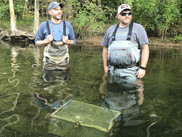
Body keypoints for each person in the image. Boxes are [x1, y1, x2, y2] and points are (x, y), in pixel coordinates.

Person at [101, 4, 149, 83]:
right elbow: (105, 48)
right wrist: (105, 66)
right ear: (118, 16)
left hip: (131, 72)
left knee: (132, 93)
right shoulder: (110, 29)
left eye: (129, 13)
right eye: (123, 14)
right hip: (112, 70)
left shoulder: (138, 28)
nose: (127, 16)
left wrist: (142, 68)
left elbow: (145, 48)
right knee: (110, 94)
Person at [35, 1, 76, 82]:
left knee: (64, 83)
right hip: (49, 61)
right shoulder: (44, 25)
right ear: (50, 12)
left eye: (60, 9)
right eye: (56, 10)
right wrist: (46, 41)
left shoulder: (67, 25)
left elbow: (74, 41)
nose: (59, 12)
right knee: (47, 83)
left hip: (64, 61)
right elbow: (36, 43)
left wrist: (67, 41)